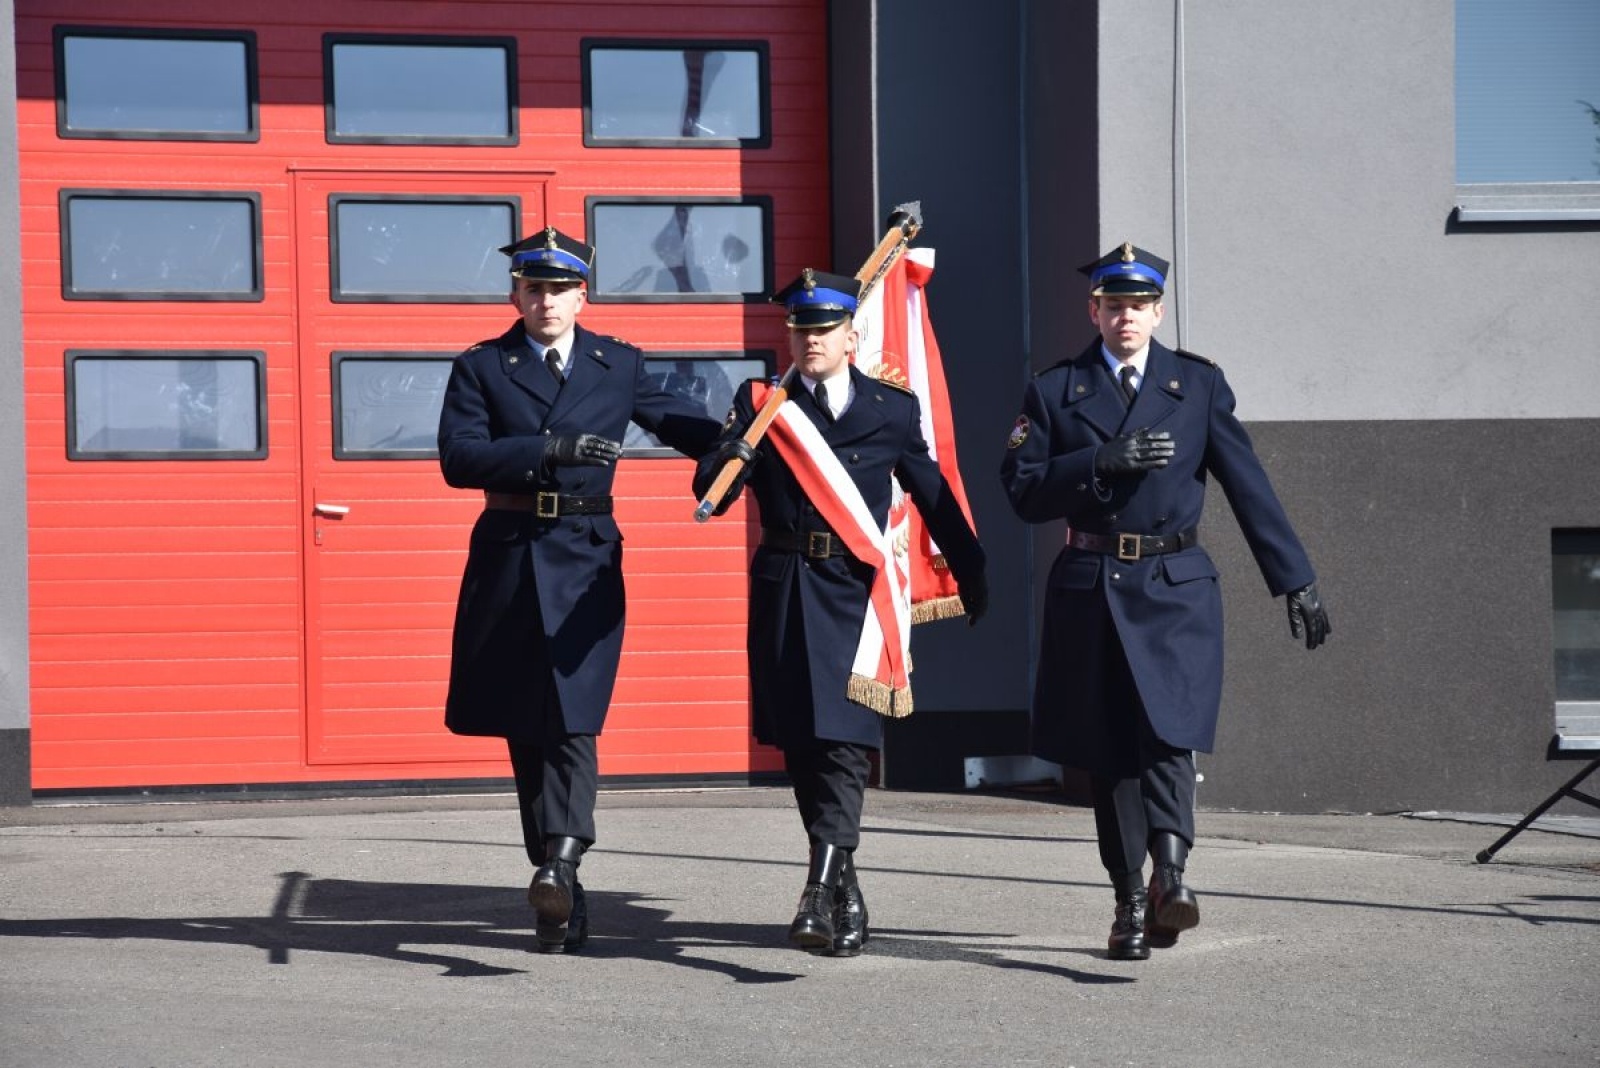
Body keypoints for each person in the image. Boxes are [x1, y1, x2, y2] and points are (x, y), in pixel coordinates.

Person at [998, 242, 1330, 961]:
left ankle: (1171, 876)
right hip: (1093, 587)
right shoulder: (1056, 390)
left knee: (1171, 735)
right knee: (1111, 754)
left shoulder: (1197, 385)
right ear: (1094, 311)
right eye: (1114, 305)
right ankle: (1128, 902)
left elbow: (1247, 484)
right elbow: (1021, 489)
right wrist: (1096, 462)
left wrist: (1294, 578)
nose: (1127, 317)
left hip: (1176, 587)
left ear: (1158, 312)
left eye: (1139, 305)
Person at [437, 226, 721, 953]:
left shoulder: (616, 363)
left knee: (573, 719)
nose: (547, 301)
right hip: (508, 559)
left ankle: (561, 861)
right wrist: (546, 450)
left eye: (560, 290)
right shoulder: (482, 366)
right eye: (534, 289)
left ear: (581, 296)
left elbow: (689, 428)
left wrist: (751, 434)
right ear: (516, 296)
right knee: (525, 728)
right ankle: (558, 886)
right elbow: (459, 459)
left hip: (586, 561)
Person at [693, 268, 988, 957]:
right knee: (804, 745)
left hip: (856, 596)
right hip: (786, 587)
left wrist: (970, 568)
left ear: (851, 337)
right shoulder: (764, 403)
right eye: (800, 328)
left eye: (824, 328)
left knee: (846, 744)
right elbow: (712, 491)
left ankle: (817, 890)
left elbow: (931, 492)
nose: (811, 339)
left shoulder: (890, 409)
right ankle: (846, 887)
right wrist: (729, 453)